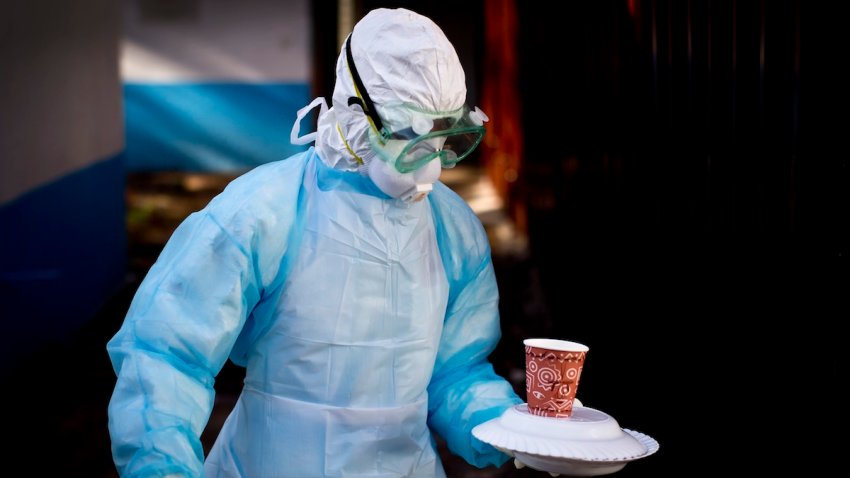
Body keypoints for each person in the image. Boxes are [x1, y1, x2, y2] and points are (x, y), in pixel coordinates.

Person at [107, 7, 522, 478]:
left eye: (443, 139)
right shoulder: (264, 212)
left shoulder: (452, 228)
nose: (429, 166)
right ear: (354, 117)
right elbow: (166, 355)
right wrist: (161, 466)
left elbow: (456, 371)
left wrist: (510, 430)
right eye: (410, 139)